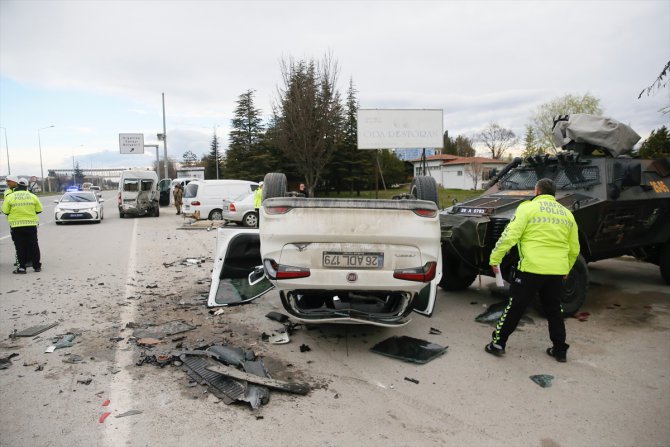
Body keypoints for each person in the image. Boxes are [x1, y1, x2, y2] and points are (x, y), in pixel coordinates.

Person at [485, 178, 579, 362]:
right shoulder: (567, 214)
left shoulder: (527, 208)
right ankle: (560, 350)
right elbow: (574, 247)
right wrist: (566, 268)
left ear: (537, 191)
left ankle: (498, 343)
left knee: (515, 307)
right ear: (554, 194)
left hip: (531, 269)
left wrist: (495, 258)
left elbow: (510, 235)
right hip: (556, 271)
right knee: (554, 310)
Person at [2, 178, 43, 274]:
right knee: (33, 245)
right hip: (31, 225)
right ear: (26, 187)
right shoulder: (32, 196)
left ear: (17, 186)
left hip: (16, 225)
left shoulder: (10, 196)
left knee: (19, 247)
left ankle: (22, 268)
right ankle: (36, 266)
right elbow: (39, 210)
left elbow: (5, 211)